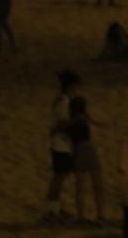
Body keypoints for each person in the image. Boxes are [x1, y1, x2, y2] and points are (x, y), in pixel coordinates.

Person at [44, 69, 81, 223]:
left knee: (59, 177)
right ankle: (51, 212)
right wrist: (77, 120)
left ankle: (55, 208)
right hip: (61, 145)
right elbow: (61, 124)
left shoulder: (60, 101)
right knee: (58, 178)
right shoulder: (64, 103)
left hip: (61, 144)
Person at [70, 96, 105, 226]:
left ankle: (83, 216)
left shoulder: (76, 119)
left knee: (81, 186)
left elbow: (94, 122)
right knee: (95, 185)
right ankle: (99, 216)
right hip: (86, 149)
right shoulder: (78, 119)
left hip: (79, 150)